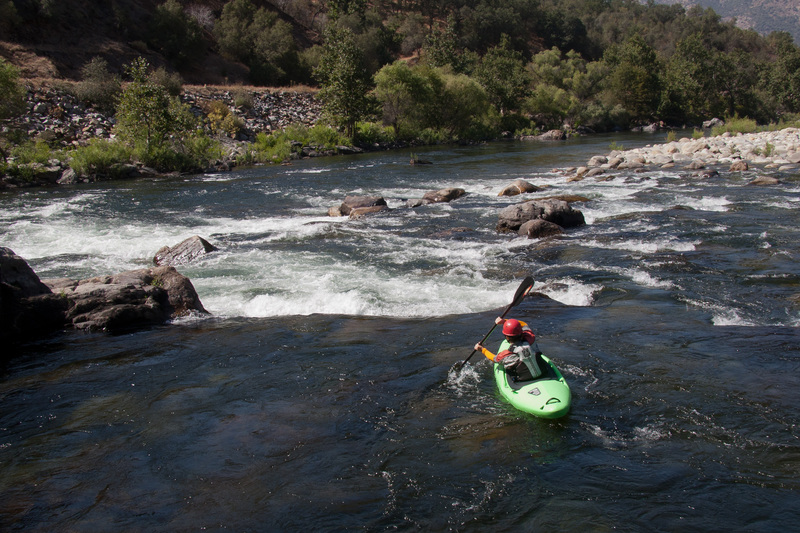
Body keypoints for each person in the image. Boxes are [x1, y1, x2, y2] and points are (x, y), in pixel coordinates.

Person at [474, 317, 546, 382]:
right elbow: (524, 324)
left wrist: (482, 349)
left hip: (523, 379)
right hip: (543, 372)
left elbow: (494, 358)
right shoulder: (530, 337)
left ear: (507, 337)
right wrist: (505, 321)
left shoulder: (506, 354)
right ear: (521, 332)